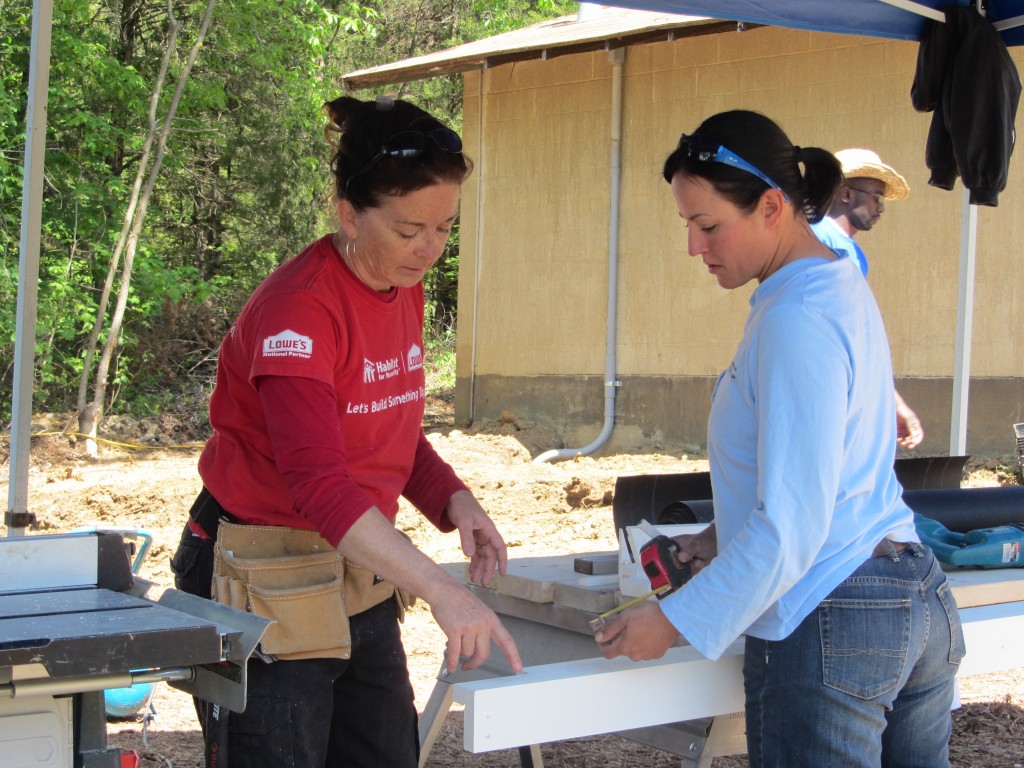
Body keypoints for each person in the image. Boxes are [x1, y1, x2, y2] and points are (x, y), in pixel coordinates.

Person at [596, 111, 965, 768]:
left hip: (833, 609)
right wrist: (719, 538)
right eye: (687, 225)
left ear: (771, 205)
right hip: (909, 590)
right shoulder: (830, 283)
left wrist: (675, 618)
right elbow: (833, 465)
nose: (694, 246)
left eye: (707, 225)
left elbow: (793, 526)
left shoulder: (796, 318)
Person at [169, 95, 522, 768]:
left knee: (383, 747)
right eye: (410, 228)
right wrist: (441, 589)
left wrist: (454, 500)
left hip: (354, 564)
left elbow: (386, 427)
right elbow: (320, 483)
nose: (429, 250)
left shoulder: (400, 283)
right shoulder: (299, 311)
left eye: (445, 228)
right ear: (349, 214)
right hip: (261, 564)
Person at [812, 148, 924, 449]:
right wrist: (891, 401)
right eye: (876, 196)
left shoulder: (815, 237)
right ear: (846, 195)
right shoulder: (837, 251)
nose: (881, 207)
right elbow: (854, 332)